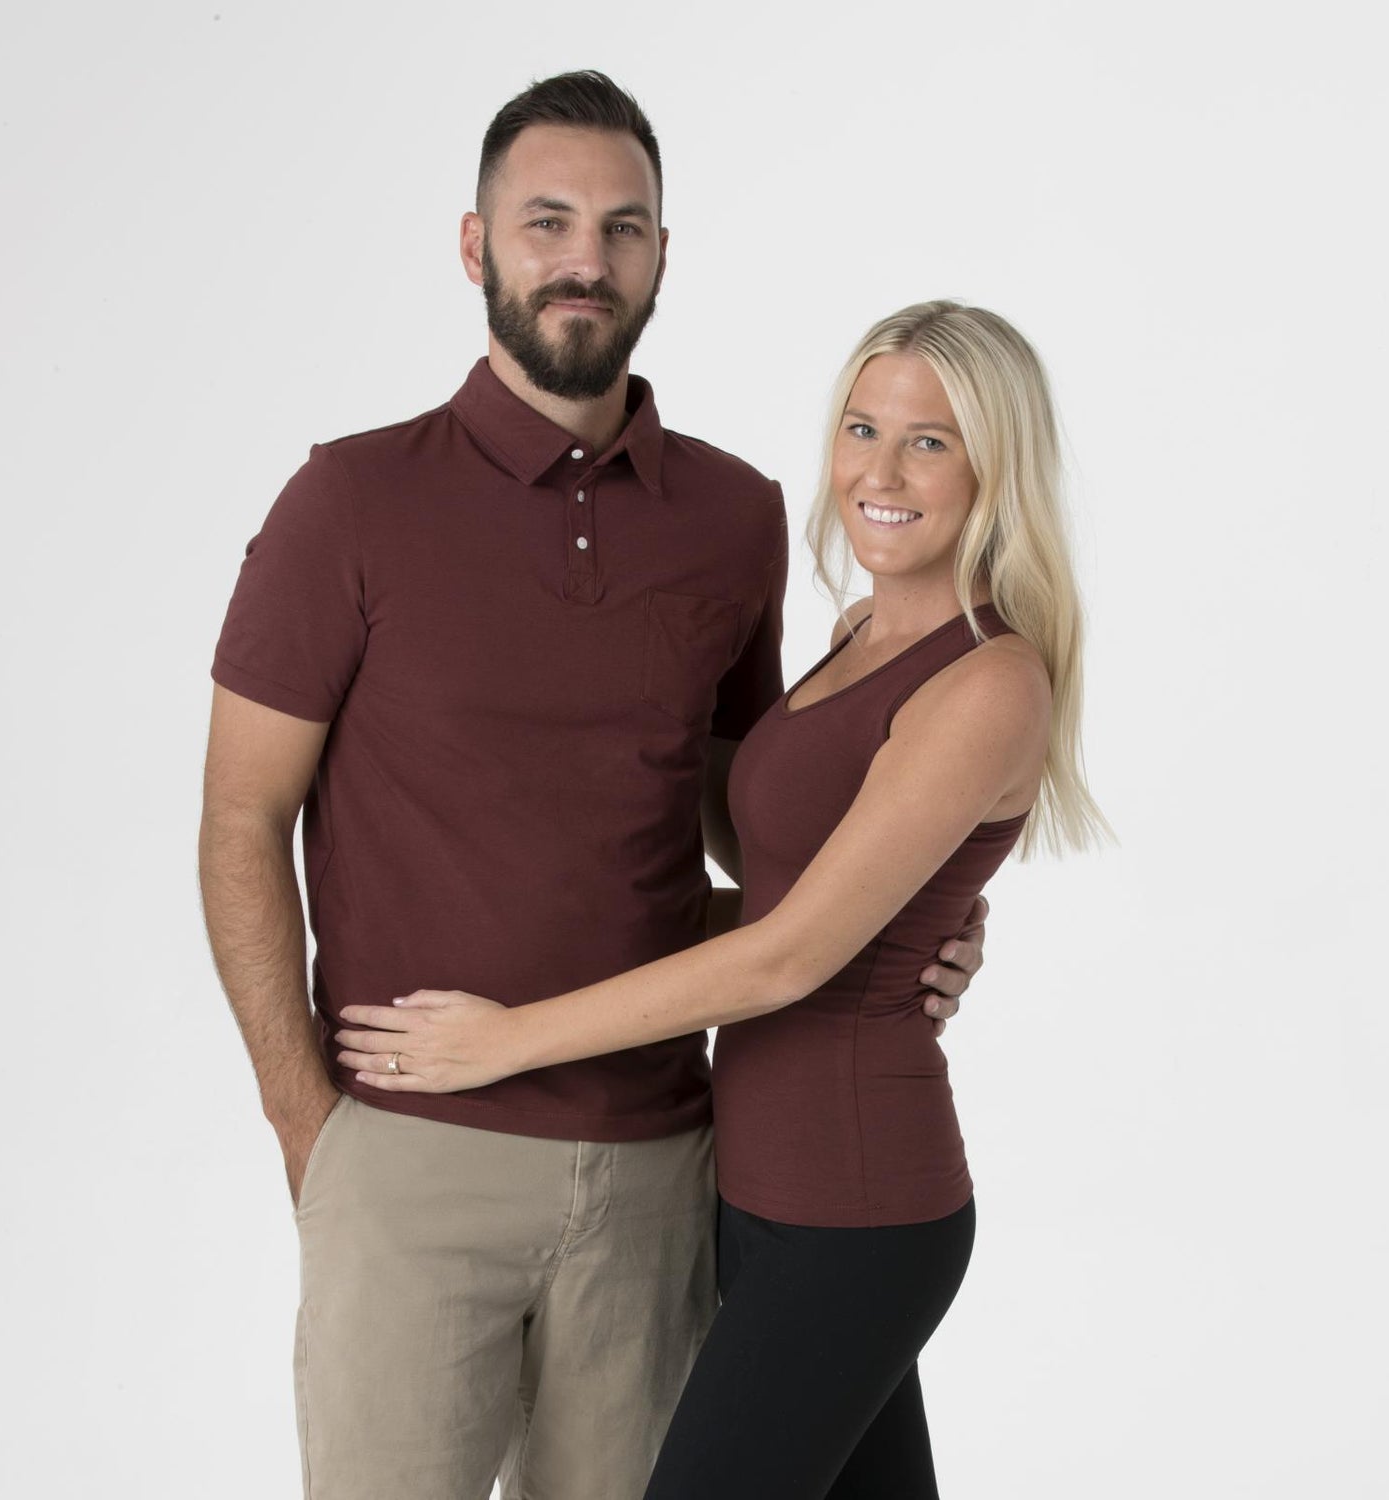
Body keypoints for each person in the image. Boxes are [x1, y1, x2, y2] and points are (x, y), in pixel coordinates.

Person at [197, 74, 985, 1500]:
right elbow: (239, 819)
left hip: (661, 1171)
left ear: (662, 255)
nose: (586, 259)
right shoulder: (350, 502)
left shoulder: (734, 517)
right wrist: (310, 1127)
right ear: (475, 245)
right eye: (546, 221)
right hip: (413, 1159)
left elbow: (754, 815)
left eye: (623, 228)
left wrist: (904, 918)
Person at [333, 299, 1109, 1498]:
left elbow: (784, 956)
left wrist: (505, 1040)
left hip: (854, 1212)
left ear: (996, 469)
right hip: (759, 1191)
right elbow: (777, 864)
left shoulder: (989, 684)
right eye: (862, 428)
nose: (880, 473)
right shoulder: (862, 629)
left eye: (930, 442)